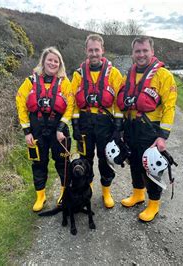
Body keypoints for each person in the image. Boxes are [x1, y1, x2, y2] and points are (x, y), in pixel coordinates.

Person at [116, 36, 178, 222]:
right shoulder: (130, 74)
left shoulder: (164, 75)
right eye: (137, 51)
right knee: (134, 163)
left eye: (145, 51)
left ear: (152, 52)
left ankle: (154, 204)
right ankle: (138, 194)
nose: (141, 54)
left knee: (149, 167)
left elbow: (169, 107)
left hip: (150, 130)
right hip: (131, 128)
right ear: (133, 54)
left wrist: (162, 136)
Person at [15, 47, 74, 212]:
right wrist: (27, 131)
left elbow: (71, 105)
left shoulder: (65, 83)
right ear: (43, 61)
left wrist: (62, 127)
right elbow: (20, 102)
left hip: (59, 130)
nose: (53, 63)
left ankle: (64, 193)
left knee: (63, 162)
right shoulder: (30, 81)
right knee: (38, 163)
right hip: (36, 129)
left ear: (60, 64)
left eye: (56, 61)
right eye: (50, 60)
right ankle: (40, 196)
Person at [70, 34, 124, 209]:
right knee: (85, 158)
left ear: (102, 50)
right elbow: (73, 103)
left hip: (104, 123)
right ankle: (87, 188)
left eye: (96, 50)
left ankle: (106, 192)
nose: (93, 53)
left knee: (104, 158)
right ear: (86, 51)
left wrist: (117, 128)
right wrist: (75, 126)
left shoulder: (114, 74)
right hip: (85, 121)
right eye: (90, 50)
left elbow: (118, 104)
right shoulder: (78, 75)